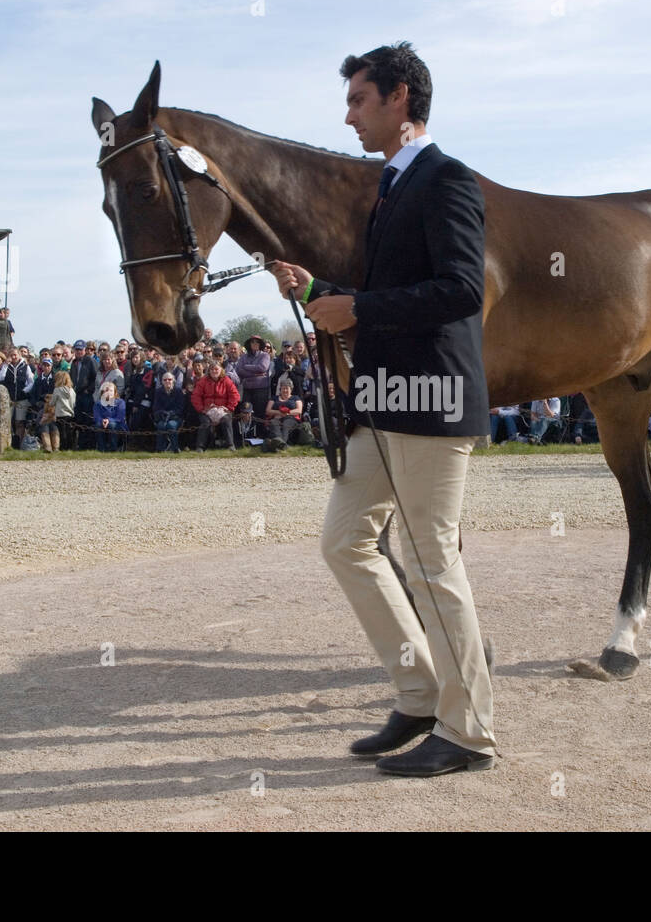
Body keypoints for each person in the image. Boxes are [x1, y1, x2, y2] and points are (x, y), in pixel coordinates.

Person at [268, 41, 496, 777]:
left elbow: (465, 289)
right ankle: (420, 691)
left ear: (400, 97)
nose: (348, 116)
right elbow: (388, 292)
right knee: (346, 542)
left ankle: (469, 732)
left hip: (430, 401)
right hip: (384, 403)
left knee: (432, 563)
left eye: (359, 100)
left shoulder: (447, 179)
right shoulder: (394, 189)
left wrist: (358, 304)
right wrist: (314, 293)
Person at [191, 360, 240, 452]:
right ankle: (200, 447)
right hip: (207, 410)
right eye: (212, 369)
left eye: (216, 369)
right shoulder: (203, 381)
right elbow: (195, 396)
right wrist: (201, 409)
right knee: (205, 423)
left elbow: (235, 395)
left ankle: (230, 445)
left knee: (226, 420)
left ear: (221, 370)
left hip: (223, 409)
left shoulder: (227, 381)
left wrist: (229, 408)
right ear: (209, 371)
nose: (214, 371)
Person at [263, 378, 311, 451]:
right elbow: (268, 411)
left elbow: (299, 410)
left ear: (291, 389)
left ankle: (280, 444)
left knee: (286, 424)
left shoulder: (295, 398)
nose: (285, 390)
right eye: (283, 388)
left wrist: (287, 413)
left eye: (287, 388)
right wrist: (279, 412)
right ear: (280, 389)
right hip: (276, 418)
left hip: (291, 419)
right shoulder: (274, 398)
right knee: (274, 424)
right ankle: (281, 444)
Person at [152, 371, 184, 453]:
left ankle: (175, 448)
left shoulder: (178, 391)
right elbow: (156, 407)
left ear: (173, 380)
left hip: (175, 417)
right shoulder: (158, 392)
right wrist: (162, 413)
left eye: (169, 379)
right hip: (162, 417)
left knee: (171, 425)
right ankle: (159, 449)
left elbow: (181, 408)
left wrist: (172, 413)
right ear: (162, 381)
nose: (167, 381)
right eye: (165, 380)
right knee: (161, 426)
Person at [93, 380, 127, 452]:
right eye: (106, 390)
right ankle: (101, 449)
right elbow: (96, 416)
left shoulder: (120, 402)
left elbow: (120, 417)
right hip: (102, 423)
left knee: (112, 425)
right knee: (98, 425)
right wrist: (102, 420)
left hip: (118, 424)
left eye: (111, 390)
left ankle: (113, 449)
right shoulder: (98, 404)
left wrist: (108, 420)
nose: (108, 392)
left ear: (115, 392)